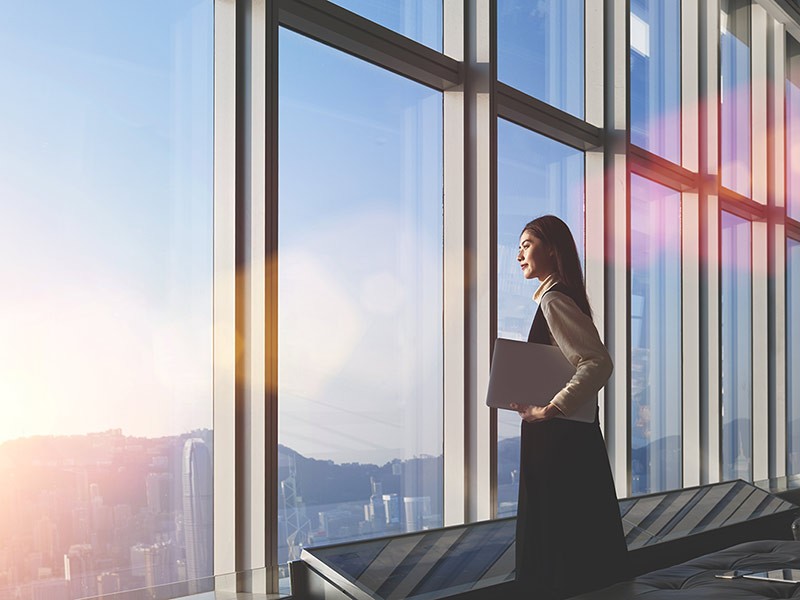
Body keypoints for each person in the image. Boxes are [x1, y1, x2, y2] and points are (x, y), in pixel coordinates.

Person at [509, 215, 628, 600]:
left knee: (556, 546)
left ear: (552, 249)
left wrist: (551, 409)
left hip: (559, 442)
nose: (519, 255)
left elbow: (597, 362)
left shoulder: (553, 299)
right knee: (578, 547)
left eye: (527, 244)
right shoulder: (558, 296)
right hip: (569, 439)